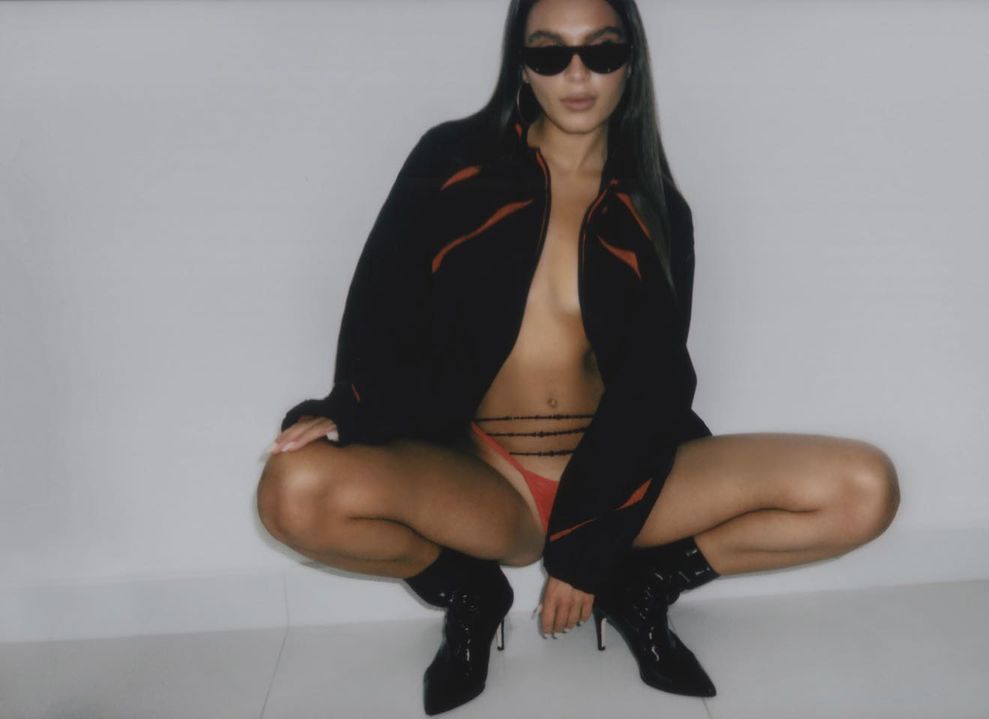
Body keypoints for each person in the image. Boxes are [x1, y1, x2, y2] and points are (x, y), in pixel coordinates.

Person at [257, 0, 901, 714]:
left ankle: (645, 586)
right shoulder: (452, 162)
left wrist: (590, 550)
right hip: (486, 476)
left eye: (600, 51)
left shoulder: (659, 210)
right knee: (292, 490)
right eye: (549, 52)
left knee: (864, 488)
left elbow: (656, 384)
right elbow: (383, 300)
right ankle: (468, 593)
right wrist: (348, 408)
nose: (576, 74)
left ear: (631, 62)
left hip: (620, 473)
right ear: (522, 65)